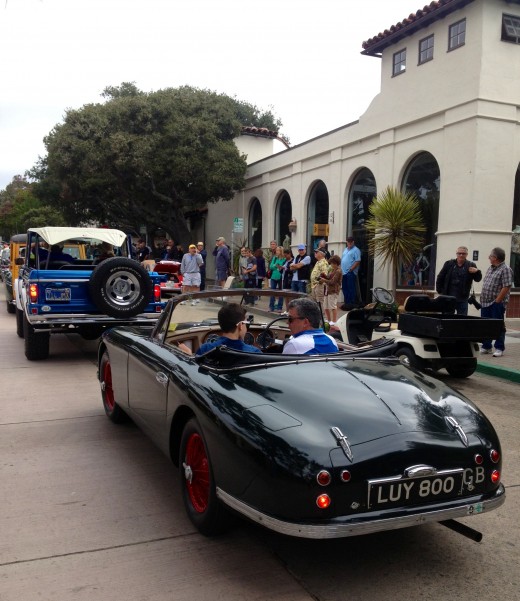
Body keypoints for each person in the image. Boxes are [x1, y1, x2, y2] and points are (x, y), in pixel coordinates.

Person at [479, 247, 514, 357]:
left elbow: (506, 286)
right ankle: (486, 346)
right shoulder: (491, 268)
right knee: (486, 325)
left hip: (496, 303)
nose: (489, 257)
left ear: (496, 258)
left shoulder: (505, 269)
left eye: (490, 256)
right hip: (485, 302)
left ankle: (499, 347)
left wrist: (497, 301)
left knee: (498, 325)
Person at [196, 304, 261, 355]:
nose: (246, 327)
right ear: (240, 326)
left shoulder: (205, 349)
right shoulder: (255, 352)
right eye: (246, 323)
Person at [435, 246, 482, 315]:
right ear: (456, 254)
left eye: (463, 253)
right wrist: (440, 291)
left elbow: (478, 279)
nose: (461, 255)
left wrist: (477, 271)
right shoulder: (449, 264)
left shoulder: (471, 265)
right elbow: (440, 277)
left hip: (463, 299)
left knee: (461, 321)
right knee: (447, 320)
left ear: (466, 254)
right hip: (449, 298)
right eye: (459, 253)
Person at [320, 255, 342, 324]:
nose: (331, 264)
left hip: (333, 290)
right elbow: (328, 278)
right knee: (325, 306)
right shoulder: (333, 270)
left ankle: (334, 321)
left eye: (332, 263)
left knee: (332, 306)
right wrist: (324, 276)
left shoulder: (338, 271)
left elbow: (332, 282)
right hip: (327, 290)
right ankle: (329, 320)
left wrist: (324, 280)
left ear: (336, 263)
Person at [341, 236, 361, 309]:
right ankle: (347, 303)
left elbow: (358, 260)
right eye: (348, 241)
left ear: (353, 242)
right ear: (346, 242)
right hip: (344, 272)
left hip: (350, 272)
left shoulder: (356, 250)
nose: (349, 243)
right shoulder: (345, 249)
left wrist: (351, 269)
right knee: (344, 288)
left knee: (351, 288)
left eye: (350, 241)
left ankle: (352, 304)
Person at [268, 245, 285, 312]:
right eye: (276, 250)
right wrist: (276, 265)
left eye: (278, 250)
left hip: (280, 277)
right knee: (272, 292)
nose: (276, 251)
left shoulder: (284, 259)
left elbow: (282, 267)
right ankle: (271, 307)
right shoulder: (275, 258)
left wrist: (278, 266)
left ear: (281, 251)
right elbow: (271, 266)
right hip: (273, 276)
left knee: (281, 292)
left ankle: (279, 307)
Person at [280, 248, 294, 313]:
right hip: (284, 279)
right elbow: (282, 270)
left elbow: (292, 270)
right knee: (286, 295)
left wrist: (285, 269)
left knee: (290, 295)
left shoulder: (293, 261)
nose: (285, 257)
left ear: (289, 254)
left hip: (290, 280)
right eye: (284, 255)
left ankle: (291, 310)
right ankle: (287, 310)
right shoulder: (285, 261)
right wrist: (280, 268)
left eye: (286, 255)